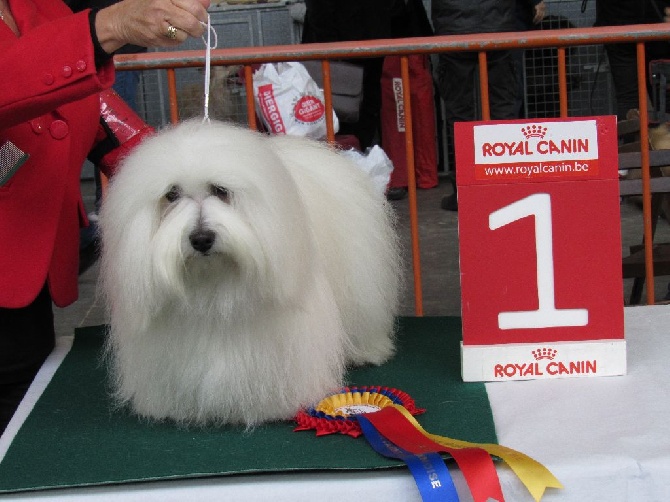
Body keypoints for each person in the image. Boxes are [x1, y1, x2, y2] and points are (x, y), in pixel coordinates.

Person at [0, 0, 210, 434]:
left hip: (27, 270)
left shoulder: (43, 7)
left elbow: (93, 109)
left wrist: (193, 170)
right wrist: (107, 26)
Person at [432, 0, 520, 211]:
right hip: (499, 23)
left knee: (459, 115)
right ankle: (504, 187)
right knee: (503, 109)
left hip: (453, 24)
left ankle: (464, 191)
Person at [301, 0, 404, 151]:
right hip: (358, 42)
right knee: (346, 114)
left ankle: (355, 158)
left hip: (355, 43)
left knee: (349, 114)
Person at [595, 0, 670, 120]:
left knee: (630, 101)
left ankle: (633, 133)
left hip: (619, 23)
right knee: (662, 96)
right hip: (656, 23)